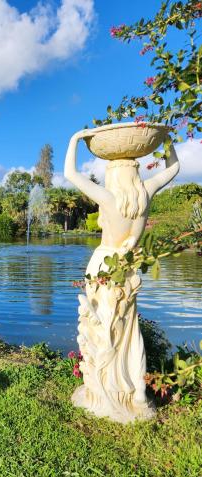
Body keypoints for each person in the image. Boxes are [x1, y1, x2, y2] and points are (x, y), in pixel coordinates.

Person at [64, 123, 180, 423]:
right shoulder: (146, 193)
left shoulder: (108, 199)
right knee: (129, 331)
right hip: (128, 267)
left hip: (104, 264)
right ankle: (136, 393)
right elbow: (173, 169)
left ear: (113, 175)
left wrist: (76, 140)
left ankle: (102, 391)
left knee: (103, 328)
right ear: (135, 173)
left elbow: (71, 175)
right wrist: (166, 141)